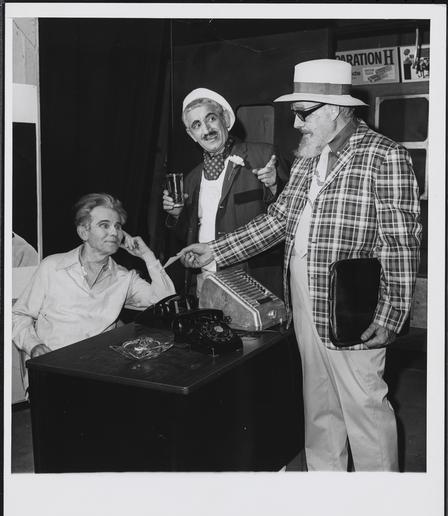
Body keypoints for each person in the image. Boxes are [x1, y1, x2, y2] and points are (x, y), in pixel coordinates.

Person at [179, 59, 422, 472]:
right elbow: (278, 220)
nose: (295, 124)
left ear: (336, 109)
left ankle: (380, 502)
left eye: (303, 113)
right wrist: (214, 249)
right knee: (319, 404)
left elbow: (400, 243)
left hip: (351, 306)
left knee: (364, 407)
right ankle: (324, 490)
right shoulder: (309, 157)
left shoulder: (384, 155)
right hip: (303, 298)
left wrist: (392, 312)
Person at [13, 193, 175, 359]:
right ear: (84, 232)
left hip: (97, 368)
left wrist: (148, 256)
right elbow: (18, 315)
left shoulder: (125, 278)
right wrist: (34, 346)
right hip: (51, 364)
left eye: (118, 226)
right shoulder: (52, 267)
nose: (114, 232)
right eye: (105, 225)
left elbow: (167, 303)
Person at [162, 87, 289, 297]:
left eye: (211, 118)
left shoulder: (263, 156)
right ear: (191, 134)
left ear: (225, 119)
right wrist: (177, 215)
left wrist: (276, 185)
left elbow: (289, 216)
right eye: (197, 125)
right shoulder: (191, 179)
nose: (206, 130)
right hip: (206, 281)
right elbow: (187, 236)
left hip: (253, 283)